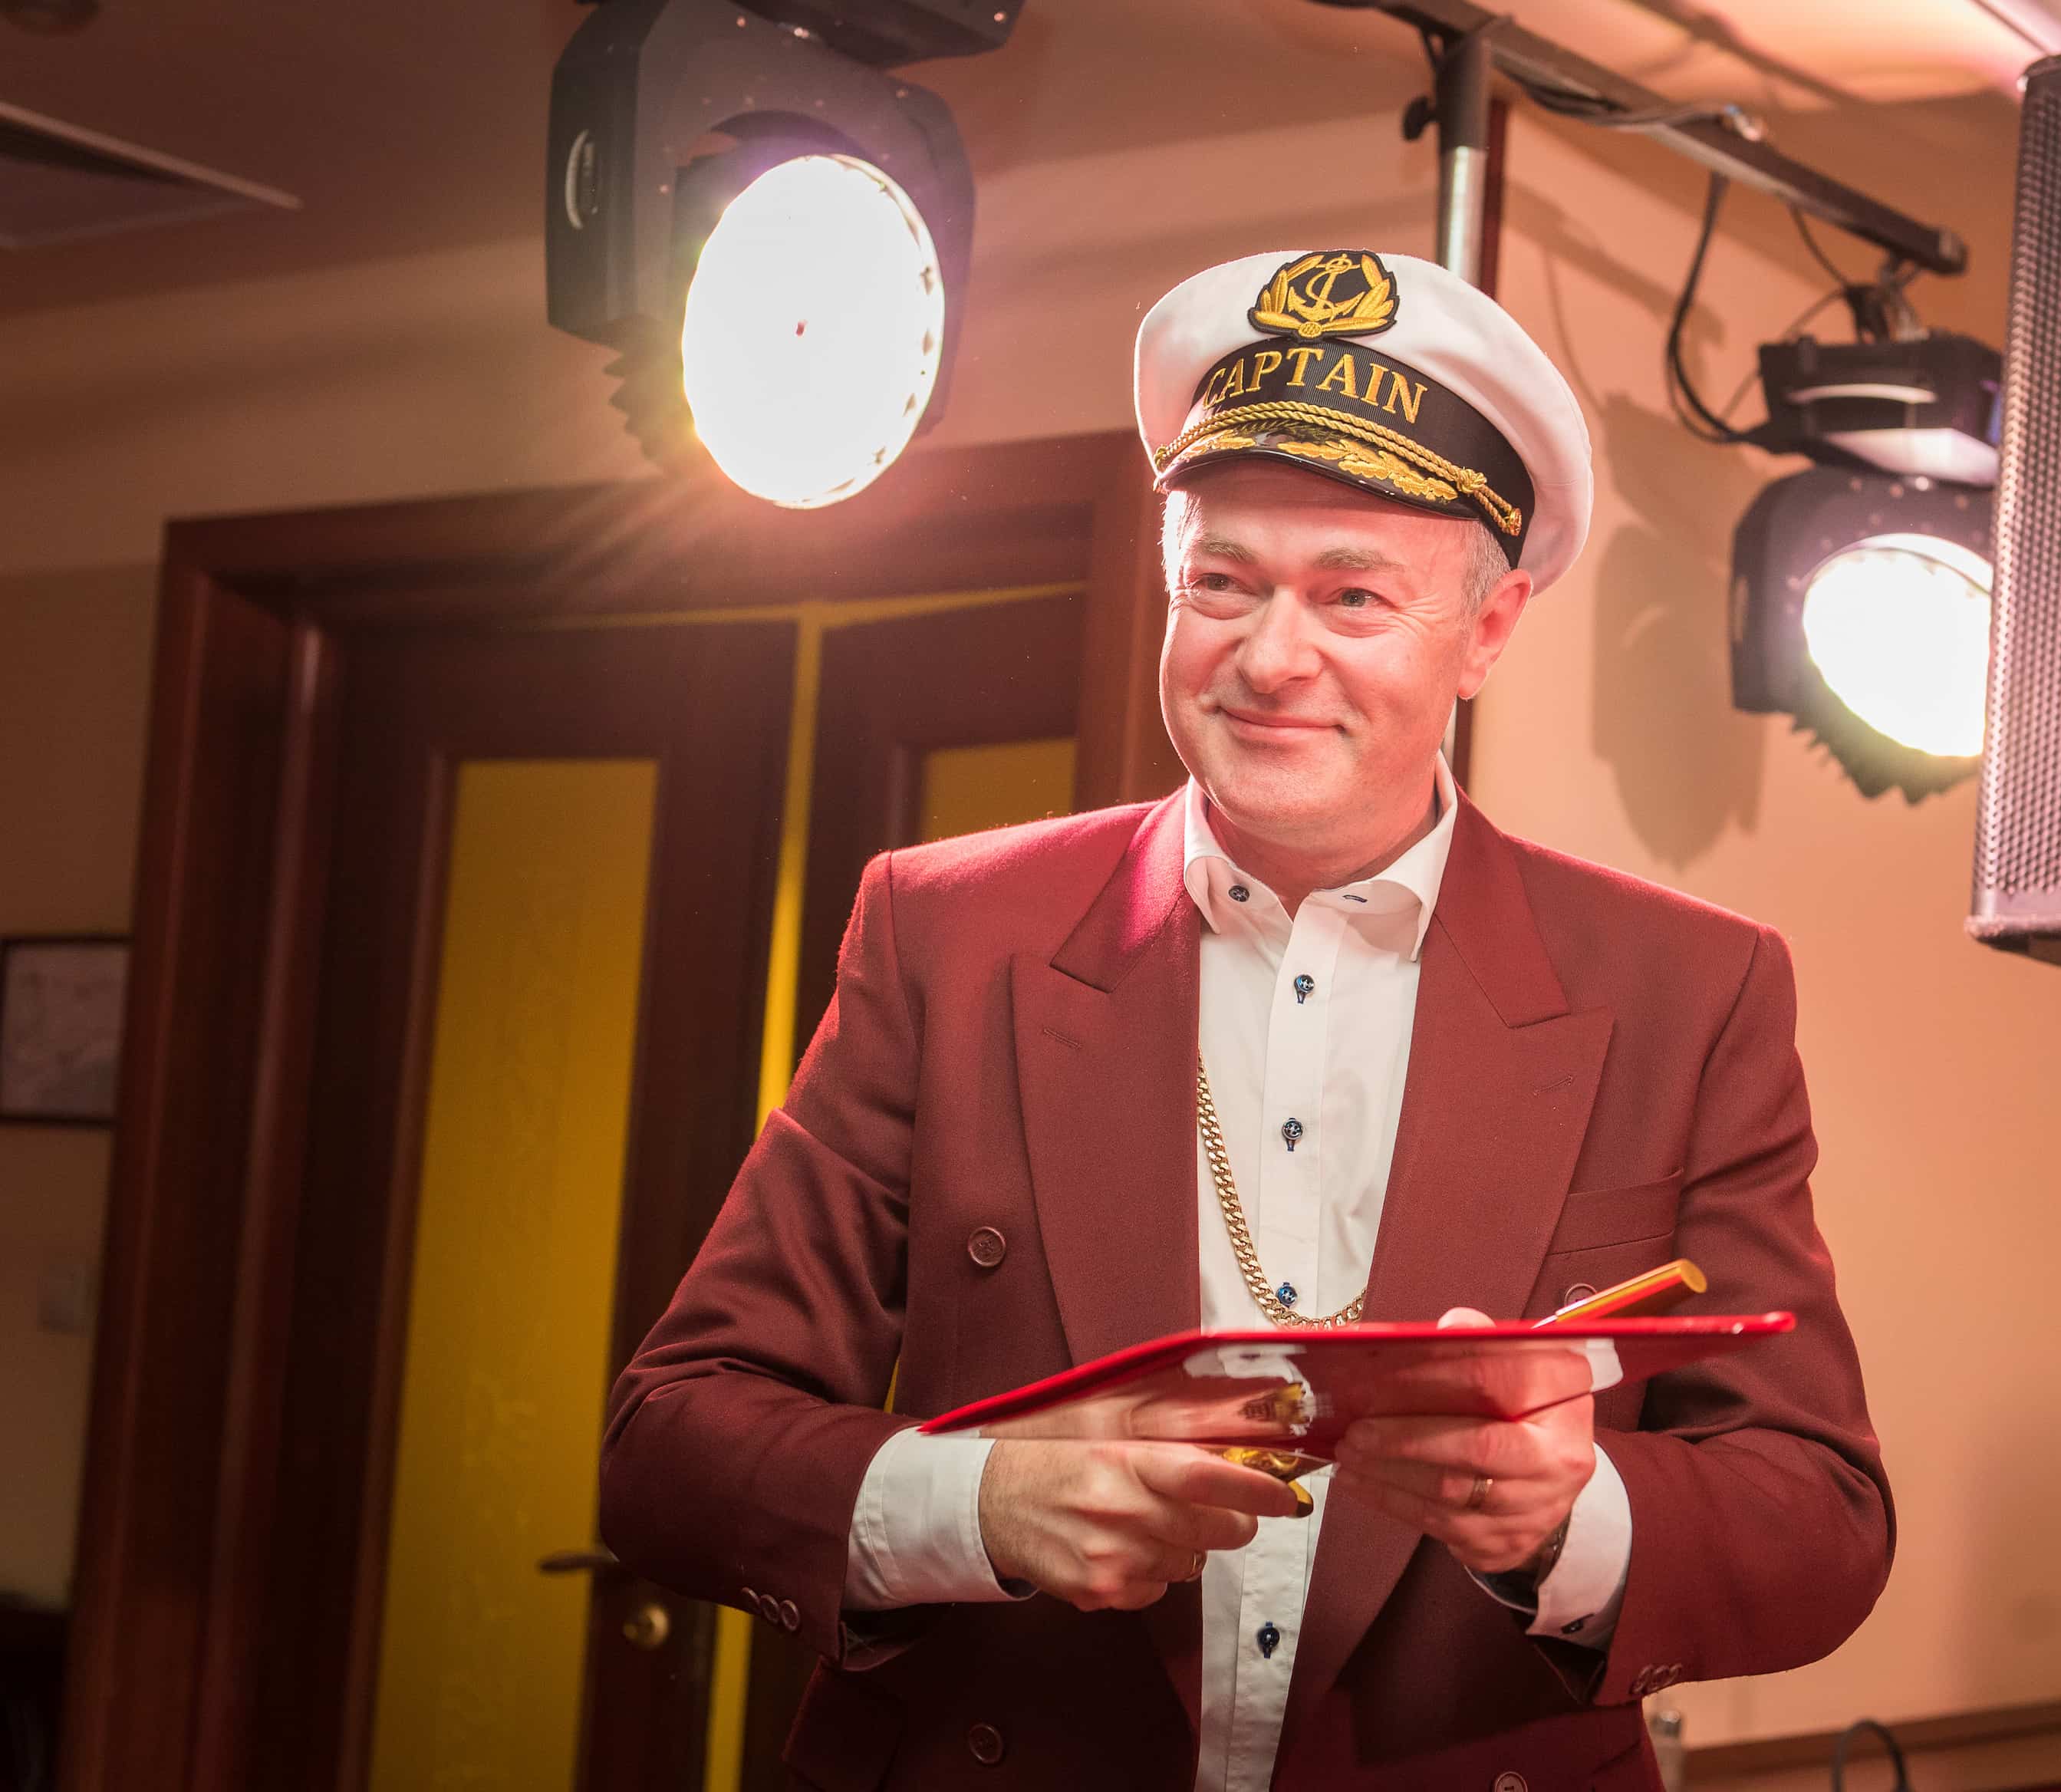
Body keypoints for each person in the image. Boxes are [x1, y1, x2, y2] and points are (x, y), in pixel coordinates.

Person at [600, 248, 1892, 1791]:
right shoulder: (944, 931)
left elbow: (1823, 1518)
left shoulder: (1692, 986)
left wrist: (1571, 1516)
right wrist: (977, 1503)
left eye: (1353, 595)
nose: (1272, 658)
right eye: (1222, 583)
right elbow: (670, 1442)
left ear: (1489, 629)